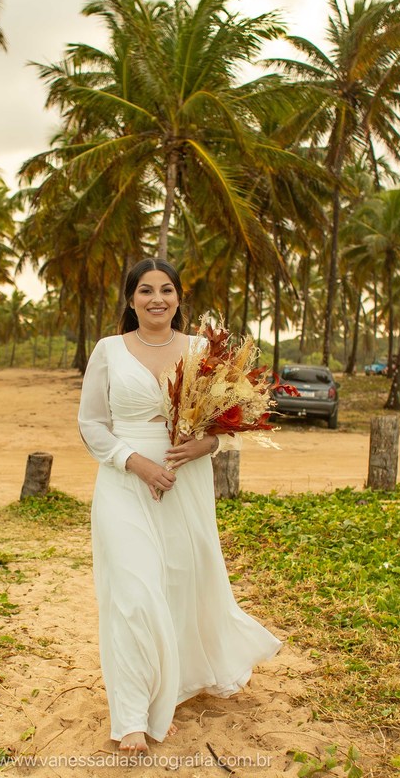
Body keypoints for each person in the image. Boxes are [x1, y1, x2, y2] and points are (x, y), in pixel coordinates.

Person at [77, 258, 281, 754]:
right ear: (130, 300)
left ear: (178, 298)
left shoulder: (200, 351)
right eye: (145, 291)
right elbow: (91, 424)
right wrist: (135, 463)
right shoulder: (107, 351)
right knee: (132, 594)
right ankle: (129, 718)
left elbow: (225, 425)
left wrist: (203, 446)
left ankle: (172, 684)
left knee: (177, 586)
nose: (156, 299)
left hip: (185, 482)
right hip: (124, 483)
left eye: (166, 290)